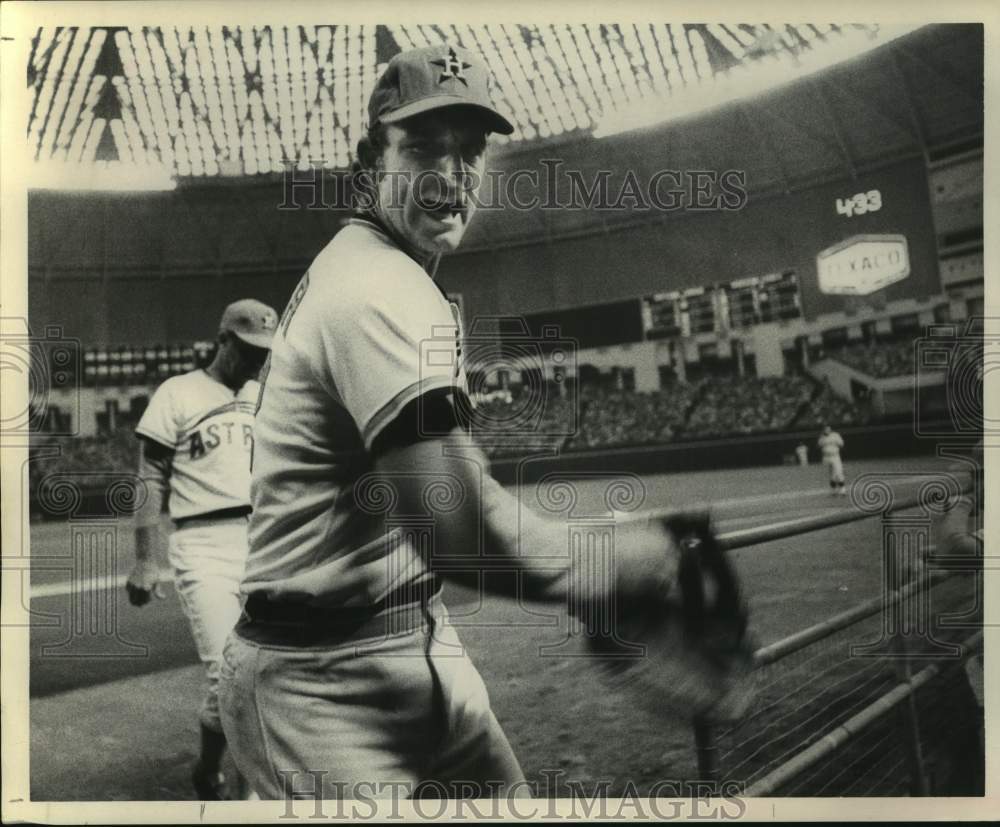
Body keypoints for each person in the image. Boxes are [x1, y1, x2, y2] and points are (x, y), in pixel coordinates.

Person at [217, 44, 682, 801]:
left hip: (412, 636)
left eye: (469, 150)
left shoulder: (387, 273)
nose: (451, 172)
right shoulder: (375, 286)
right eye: (424, 145)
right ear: (372, 159)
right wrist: (611, 566)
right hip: (316, 682)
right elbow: (456, 528)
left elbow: (465, 499)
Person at [126, 299, 277, 799]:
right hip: (203, 543)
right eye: (250, 349)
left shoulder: (265, 395)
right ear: (224, 339)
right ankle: (242, 794)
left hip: (265, 542)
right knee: (228, 676)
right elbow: (149, 477)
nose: (258, 361)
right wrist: (146, 558)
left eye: (265, 353)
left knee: (266, 674)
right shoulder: (180, 392)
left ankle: (213, 772)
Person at [817, 424, 846, 495]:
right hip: (826, 457)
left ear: (830, 429)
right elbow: (819, 446)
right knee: (831, 475)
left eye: (828, 429)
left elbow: (841, 444)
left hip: (835, 456)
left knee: (839, 472)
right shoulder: (822, 437)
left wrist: (835, 445)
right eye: (825, 429)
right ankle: (833, 490)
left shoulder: (835, 435)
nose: (827, 430)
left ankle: (842, 489)